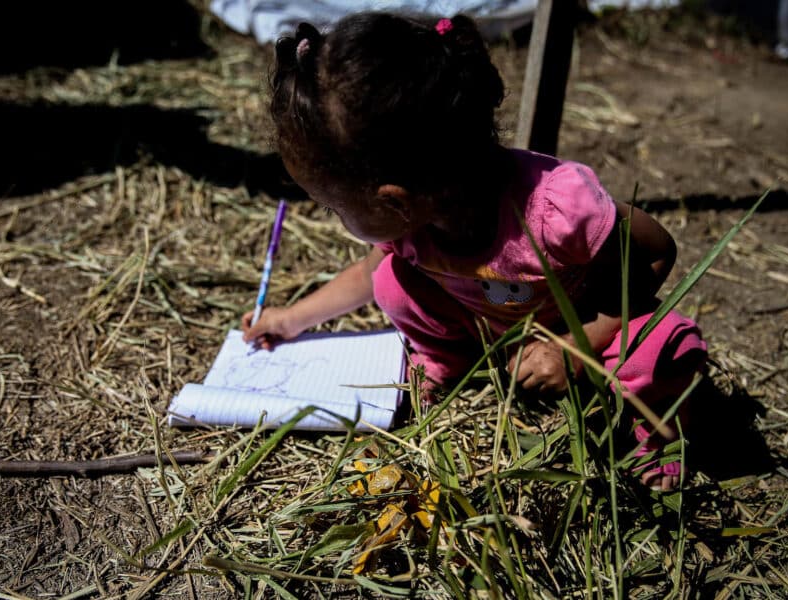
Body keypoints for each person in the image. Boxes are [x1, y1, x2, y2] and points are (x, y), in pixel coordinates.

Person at [241, 12, 706, 491]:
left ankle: (662, 438)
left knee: (660, 347)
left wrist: (573, 349)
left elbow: (656, 250)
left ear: (393, 201)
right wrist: (293, 318)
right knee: (391, 282)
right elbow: (367, 275)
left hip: (590, 326)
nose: (337, 220)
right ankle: (450, 358)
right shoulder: (415, 223)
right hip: (502, 329)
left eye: (334, 208)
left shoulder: (556, 209)